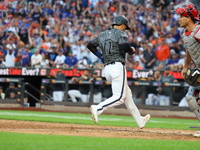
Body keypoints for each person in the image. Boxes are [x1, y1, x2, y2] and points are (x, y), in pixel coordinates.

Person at [87, 15, 150, 128]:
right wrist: (131, 50)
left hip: (107, 69)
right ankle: (98, 108)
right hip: (117, 66)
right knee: (120, 97)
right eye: (125, 27)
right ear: (121, 24)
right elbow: (125, 46)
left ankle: (139, 120)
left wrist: (101, 56)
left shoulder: (102, 34)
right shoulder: (120, 33)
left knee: (127, 95)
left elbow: (90, 45)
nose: (125, 29)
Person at [174, 2, 200, 137]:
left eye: (181, 16)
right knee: (190, 97)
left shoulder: (199, 30)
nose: (179, 18)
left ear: (189, 18)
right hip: (198, 69)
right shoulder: (185, 34)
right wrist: (185, 66)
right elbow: (190, 51)